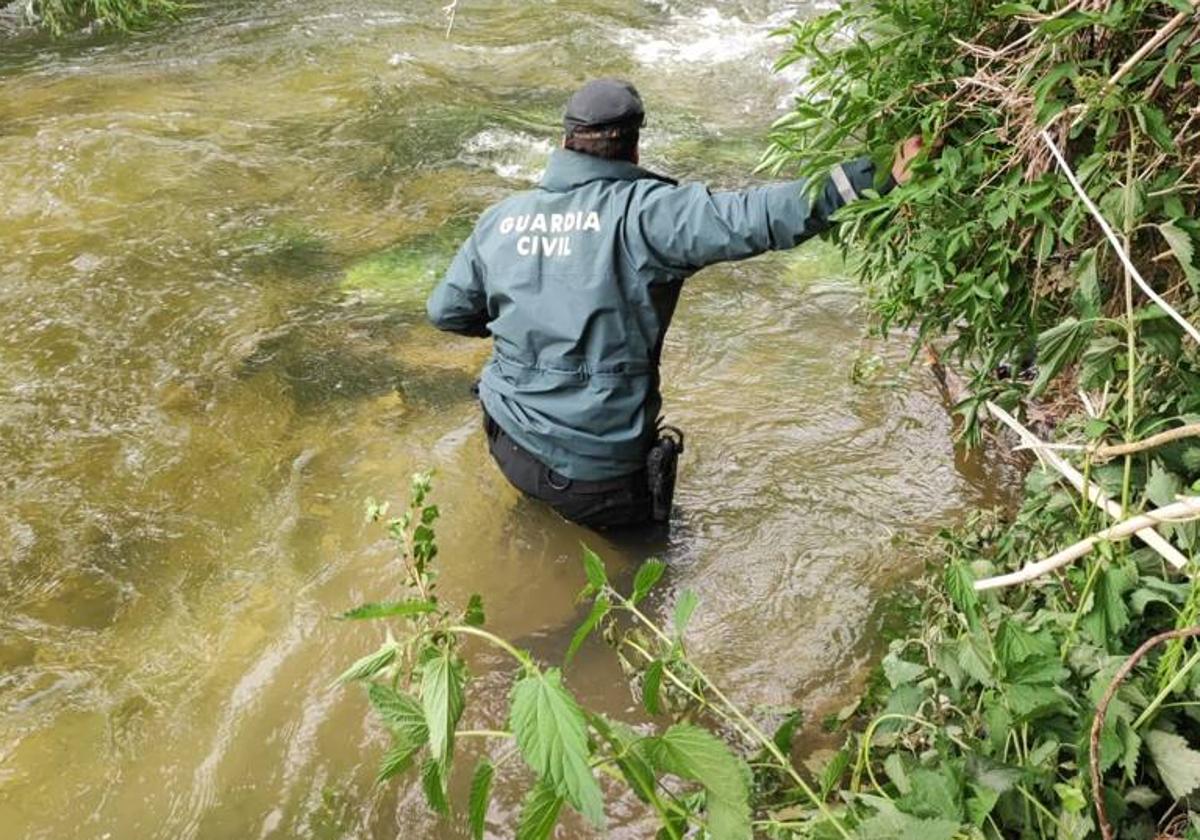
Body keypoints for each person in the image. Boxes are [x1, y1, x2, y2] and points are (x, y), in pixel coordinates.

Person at [427, 78, 922, 529]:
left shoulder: (501, 219)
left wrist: (526, 323)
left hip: (507, 437)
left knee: (535, 538)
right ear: (634, 147)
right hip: (597, 477)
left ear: (564, 142)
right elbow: (762, 216)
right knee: (643, 582)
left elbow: (446, 312)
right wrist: (878, 173)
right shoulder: (650, 215)